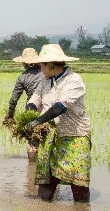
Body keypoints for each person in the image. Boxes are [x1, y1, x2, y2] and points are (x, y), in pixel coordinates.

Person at [24, 44, 91, 202]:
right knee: (47, 180)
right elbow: (36, 97)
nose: (40, 69)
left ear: (51, 65)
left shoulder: (74, 80)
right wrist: (30, 109)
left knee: (78, 183)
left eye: (42, 66)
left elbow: (61, 106)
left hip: (74, 136)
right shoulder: (45, 79)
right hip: (50, 135)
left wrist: (37, 121)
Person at [6, 48, 45, 161]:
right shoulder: (47, 73)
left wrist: (10, 116)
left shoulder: (22, 77)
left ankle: (31, 166)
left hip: (31, 110)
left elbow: (14, 99)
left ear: (24, 63)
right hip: (49, 108)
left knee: (33, 140)